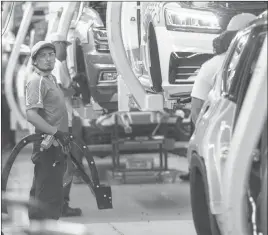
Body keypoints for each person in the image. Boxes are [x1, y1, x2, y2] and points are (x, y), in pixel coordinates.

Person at [180, 13, 257, 181]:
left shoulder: (210, 66)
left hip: (223, 141)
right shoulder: (259, 66)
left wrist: (207, 140)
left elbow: (197, 112)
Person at [26, 41, 72, 220]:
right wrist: (55, 132)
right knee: (48, 196)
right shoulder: (36, 82)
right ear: (35, 61)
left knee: (47, 192)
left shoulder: (50, 79)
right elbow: (31, 115)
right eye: (43, 56)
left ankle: (41, 229)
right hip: (47, 145)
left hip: (56, 144)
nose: (48, 59)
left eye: (51, 55)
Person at [49, 33, 85, 217]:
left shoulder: (53, 65)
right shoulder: (56, 65)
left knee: (61, 166)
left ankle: (57, 204)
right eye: (64, 45)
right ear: (55, 45)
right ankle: (62, 205)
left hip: (59, 122)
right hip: (63, 124)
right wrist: (75, 89)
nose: (66, 48)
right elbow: (59, 91)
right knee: (66, 167)